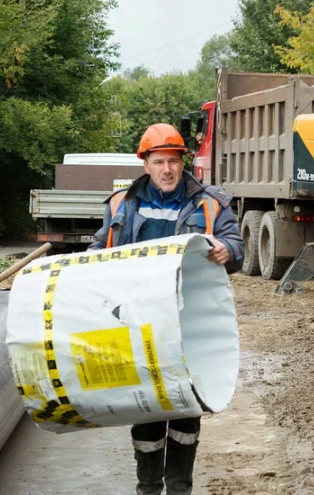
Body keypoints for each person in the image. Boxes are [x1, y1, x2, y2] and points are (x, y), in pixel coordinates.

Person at [89, 123, 244, 495]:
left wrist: (228, 251)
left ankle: (179, 489)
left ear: (182, 162)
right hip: (137, 325)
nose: (167, 170)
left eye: (173, 161)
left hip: (188, 323)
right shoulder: (121, 204)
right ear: (145, 164)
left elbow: (236, 244)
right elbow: (99, 247)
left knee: (186, 411)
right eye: (159, 161)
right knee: (145, 411)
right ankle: (148, 489)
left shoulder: (209, 202)